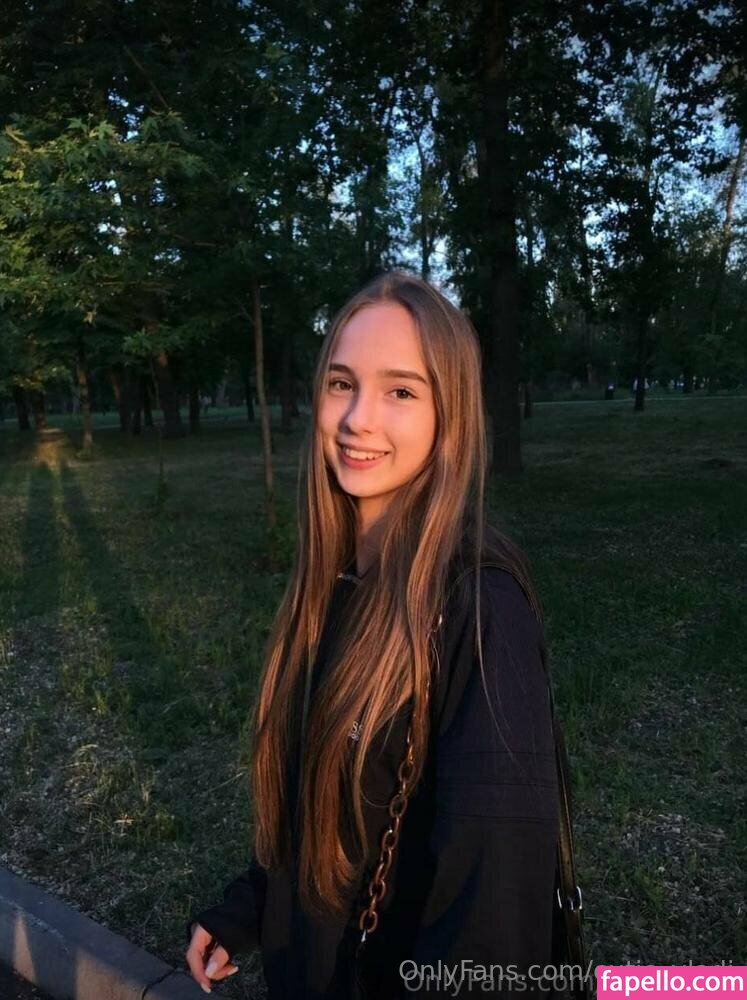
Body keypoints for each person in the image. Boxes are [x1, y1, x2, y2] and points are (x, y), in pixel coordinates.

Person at [185, 271, 569, 998]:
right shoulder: (334, 583)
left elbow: (490, 920)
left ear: (449, 416)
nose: (357, 418)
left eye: (400, 391)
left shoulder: (479, 613)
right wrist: (252, 906)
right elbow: (333, 805)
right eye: (341, 384)